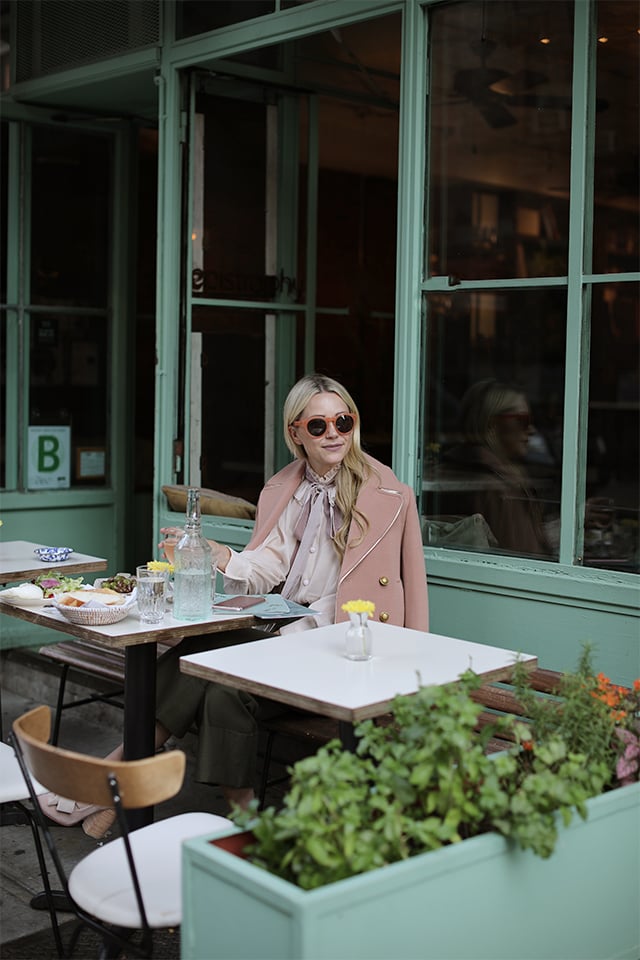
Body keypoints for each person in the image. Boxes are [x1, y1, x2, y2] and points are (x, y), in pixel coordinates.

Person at [43, 373, 429, 837]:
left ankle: (111, 778)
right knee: (217, 682)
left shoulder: (388, 494)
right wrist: (225, 556)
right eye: (319, 426)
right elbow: (268, 565)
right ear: (295, 432)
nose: (334, 435)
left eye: (343, 423)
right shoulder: (287, 486)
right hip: (284, 638)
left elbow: (405, 590)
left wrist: (415, 674)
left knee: (203, 657)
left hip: (339, 648)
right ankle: (246, 822)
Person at [440, 379, 554, 557]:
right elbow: (525, 556)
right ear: (491, 425)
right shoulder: (495, 487)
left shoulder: (486, 473)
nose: (531, 429)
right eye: (522, 420)